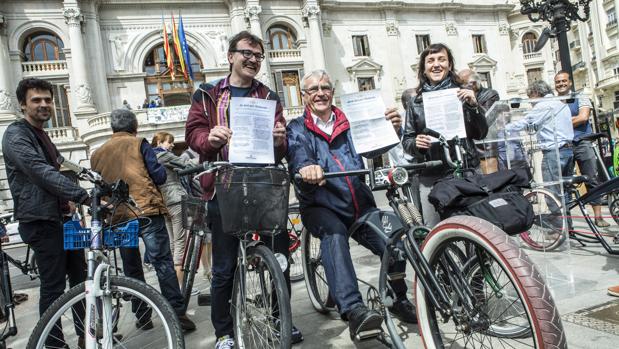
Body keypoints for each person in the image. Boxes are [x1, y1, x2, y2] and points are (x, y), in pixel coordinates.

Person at [185, 30, 301, 349]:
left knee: (279, 260)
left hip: (264, 187)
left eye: (257, 56)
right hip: (223, 188)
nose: (252, 60)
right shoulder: (207, 94)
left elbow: (281, 149)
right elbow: (194, 132)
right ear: (231, 56)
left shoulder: (268, 97)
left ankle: (282, 320)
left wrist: (280, 141)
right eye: (246, 53)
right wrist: (208, 140)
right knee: (224, 267)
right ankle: (224, 332)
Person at [286, 69, 418, 340]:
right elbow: (297, 150)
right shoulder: (297, 127)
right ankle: (355, 311)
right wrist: (306, 166)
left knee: (395, 241)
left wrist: (390, 130)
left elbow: (373, 148)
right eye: (313, 89)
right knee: (334, 236)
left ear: (332, 92)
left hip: (360, 202)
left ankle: (399, 298)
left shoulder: (349, 120)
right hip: (321, 204)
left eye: (325, 87)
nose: (320, 93)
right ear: (304, 95)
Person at [2, 78, 89, 347]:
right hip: (41, 220)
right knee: (53, 287)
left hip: (62, 219)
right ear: (22, 105)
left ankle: (87, 336)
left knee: (80, 281)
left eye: (48, 100)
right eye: (36, 100)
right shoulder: (17, 135)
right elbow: (40, 171)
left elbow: (63, 165)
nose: (44, 105)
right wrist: (81, 194)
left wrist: (94, 180)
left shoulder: (43, 135)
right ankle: (52, 343)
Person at [90, 109, 196, 332]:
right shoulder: (140, 144)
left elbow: (99, 187)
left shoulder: (97, 154)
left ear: (112, 128)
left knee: (132, 268)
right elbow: (159, 175)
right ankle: (177, 314)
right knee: (162, 263)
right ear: (135, 127)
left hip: (119, 216)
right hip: (146, 210)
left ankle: (143, 315)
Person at [401, 43, 488, 227]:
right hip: (430, 175)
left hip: (464, 171)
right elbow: (407, 141)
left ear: (449, 65)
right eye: (430, 61)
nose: (436, 64)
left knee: (473, 229)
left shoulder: (462, 95)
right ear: (423, 69)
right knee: (435, 231)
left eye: (442, 59)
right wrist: (416, 144)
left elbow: (481, 133)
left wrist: (474, 107)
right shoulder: (415, 102)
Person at [505, 80, 574, 222]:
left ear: (536, 93)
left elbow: (527, 122)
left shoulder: (543, 105)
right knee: (565, 192)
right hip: (568, 151)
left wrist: (504, 128)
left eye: (530, 98)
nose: (531, 103)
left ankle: (558, 228)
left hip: (553, 152)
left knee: (552, 192)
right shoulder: (561, 103)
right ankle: (568, 226)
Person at [554, 71, 610, 227]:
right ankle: (567, 225)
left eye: (564, 81)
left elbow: (583, 117)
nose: (561, 84)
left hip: (583, 142)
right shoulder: (554, 101)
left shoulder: (580, 97)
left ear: (570, 82)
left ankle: (598, 217)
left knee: (591, 178)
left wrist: (560, 123)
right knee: (564, 183)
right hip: (563, 145)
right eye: (558, 82)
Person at [150, 132, 192, 283]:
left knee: (173, 243)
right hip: (175, 199)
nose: (172, 145)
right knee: (181, 241)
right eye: (170, 142)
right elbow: (187, 164)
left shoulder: (150, 158)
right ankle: (180, 286)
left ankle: (173, 283)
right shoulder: (165, 156)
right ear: (160, 142)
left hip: (164, 202)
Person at [460, 69, 500, 174]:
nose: (460, 87)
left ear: (473, 84)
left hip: (485, 148)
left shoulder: (490, 94)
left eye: (462, 84)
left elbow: (487, 118)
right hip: (469, 148)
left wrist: (473, 103)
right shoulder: (461, 96)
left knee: (490, 181)